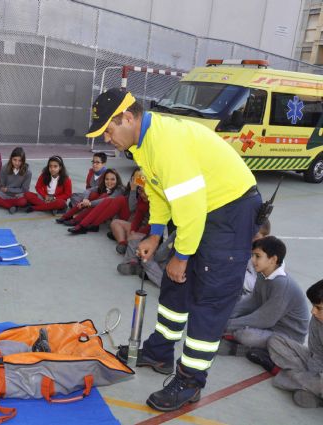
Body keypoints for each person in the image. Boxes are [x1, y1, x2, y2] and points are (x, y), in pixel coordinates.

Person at [89, 88, 262, 412]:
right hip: (201, 211)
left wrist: (182, 256)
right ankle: (158, 353)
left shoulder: (166, 144)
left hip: (229, 211)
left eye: (109, 131)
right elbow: (158, 194)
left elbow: (192, 208)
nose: (108, 139)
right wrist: (155, 235)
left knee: (208, 298)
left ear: (128, 118)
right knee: (174, 285)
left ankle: (190, 380)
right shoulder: (143, 145)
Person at [223, 236, 309, 364]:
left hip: (287, 337)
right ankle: (256, 349)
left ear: (273, 260)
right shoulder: (263, 274)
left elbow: (264, 319)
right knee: (234, 316)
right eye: (252, 255)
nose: (253, 260)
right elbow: (253, 301)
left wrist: (228, 324)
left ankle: (259, 352)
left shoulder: (282, 285)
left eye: (258, 256)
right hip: (270, 327)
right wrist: (227, 315)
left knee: (245, 334)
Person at [267, 279, 323, 408]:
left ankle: (284, 375)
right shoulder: (317, 319)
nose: (313, 312)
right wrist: (312, 374)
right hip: (316, 365)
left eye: (319, 308)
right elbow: (316, 353)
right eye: (313, 306)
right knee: (275, 341)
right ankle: (310, 388)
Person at [57, 168, 124, 226]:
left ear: (117, 180)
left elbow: (106, 200)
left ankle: (78, 220)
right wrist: (85, 199)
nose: (109, 182)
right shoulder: (103, 186)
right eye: (107, 179)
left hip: (115, 216)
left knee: (102, 197)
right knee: (93, 194)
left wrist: (89, 203)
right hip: (99, 208)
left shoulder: (120, 189)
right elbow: (88, 190)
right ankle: (67, 216)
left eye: (112, 179)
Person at [0, 147, 32, 214]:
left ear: (23, 160)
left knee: (23, 201)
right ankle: (10, 206)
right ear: (11, 159)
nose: (17, 163)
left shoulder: (28, 172)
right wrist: (3, 188)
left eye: (20, 160)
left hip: (18, 195)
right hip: (4, 194)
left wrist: (8, 189)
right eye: (15, 160)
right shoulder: (4, 168)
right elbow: (2, 185)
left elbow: (24, 189)